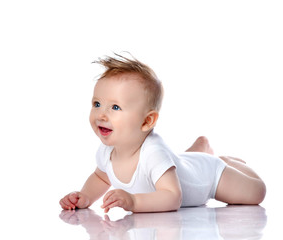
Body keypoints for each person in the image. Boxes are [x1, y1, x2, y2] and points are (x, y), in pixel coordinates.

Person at [59, 53, 266, 213]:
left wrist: (134, 201)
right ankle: (197, 151)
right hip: (182, 164)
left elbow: (172, 196)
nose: (101, 115)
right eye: (97, 104)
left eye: (115, 108)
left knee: (257, 192)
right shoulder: (107, 150)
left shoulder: (153, 153)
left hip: (209, 177)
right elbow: (101, 177)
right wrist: (85, 196)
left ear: (147, 121)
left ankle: (223, 161)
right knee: (180, 162)